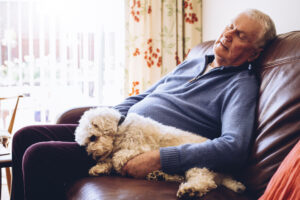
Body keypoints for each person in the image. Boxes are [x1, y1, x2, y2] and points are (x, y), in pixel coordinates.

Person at [11, 9, 276, 200]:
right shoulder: (197, 60)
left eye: (240, 34)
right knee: (26, 135)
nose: (228, 34)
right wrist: (110, 117)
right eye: (230, 25)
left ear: (254, 52)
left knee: (39, 155)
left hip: (140, 146)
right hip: (121, 131)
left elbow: (234, 147)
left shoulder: (241, 85)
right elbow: (145, 96)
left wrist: (161, 158)